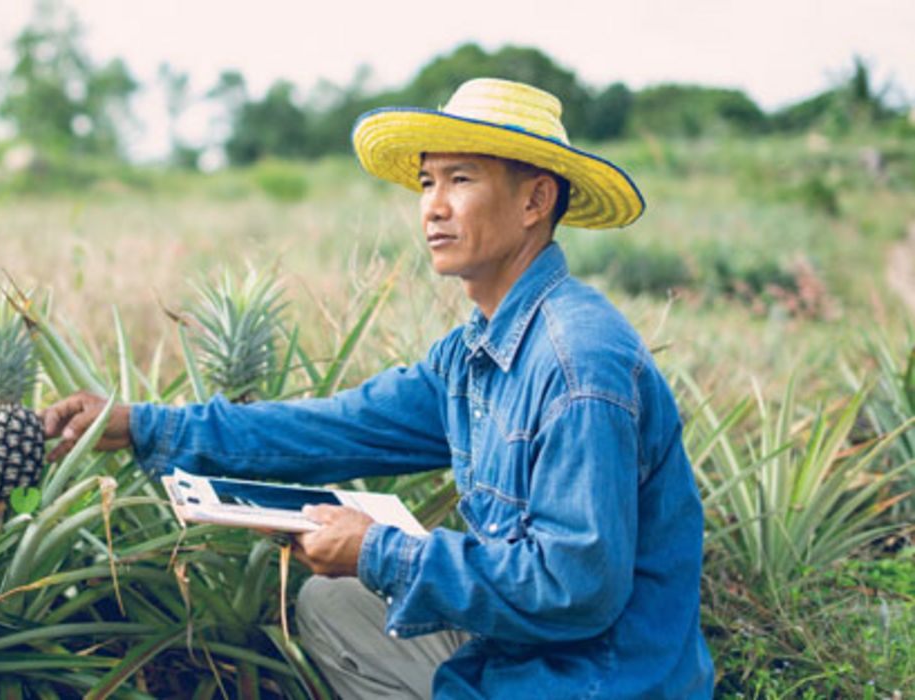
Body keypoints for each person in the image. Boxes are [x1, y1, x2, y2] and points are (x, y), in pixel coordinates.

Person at [41, 78, 714, 699]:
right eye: (426, 182)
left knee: (362, 590)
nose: (433, 208)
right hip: (520, 647)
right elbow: (335, 427)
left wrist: (377, 550)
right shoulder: (473, 354)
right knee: (334, 605)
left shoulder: (577, 364)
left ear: (535, 200)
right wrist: (145, 425)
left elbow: (573, 588)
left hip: (599, 678)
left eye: (460, 179)